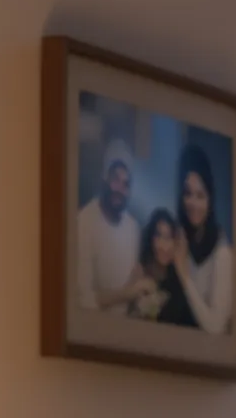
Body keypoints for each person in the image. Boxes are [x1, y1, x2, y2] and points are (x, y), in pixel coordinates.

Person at [172, 142, 236, 337]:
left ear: (210, 200)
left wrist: (184, 276)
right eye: (188, 194)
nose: (193, 203)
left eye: (200, 195)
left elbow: (215, 327)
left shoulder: (222, 254)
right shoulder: (180, 240)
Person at [74, 138, 142, 313]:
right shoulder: (84, 221)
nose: (120, 188)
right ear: (104, 178)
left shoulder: (132, 227)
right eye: (116, 179)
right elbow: (83, 299)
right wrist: (127, 294)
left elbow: (132, 286)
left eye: (126, 184)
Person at [123, 209, 197, 328]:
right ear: (151, 239)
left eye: (169, 238)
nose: (163, 246)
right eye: (159, 236)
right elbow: (125, 316)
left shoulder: (180, 273)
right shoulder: (140, 271)